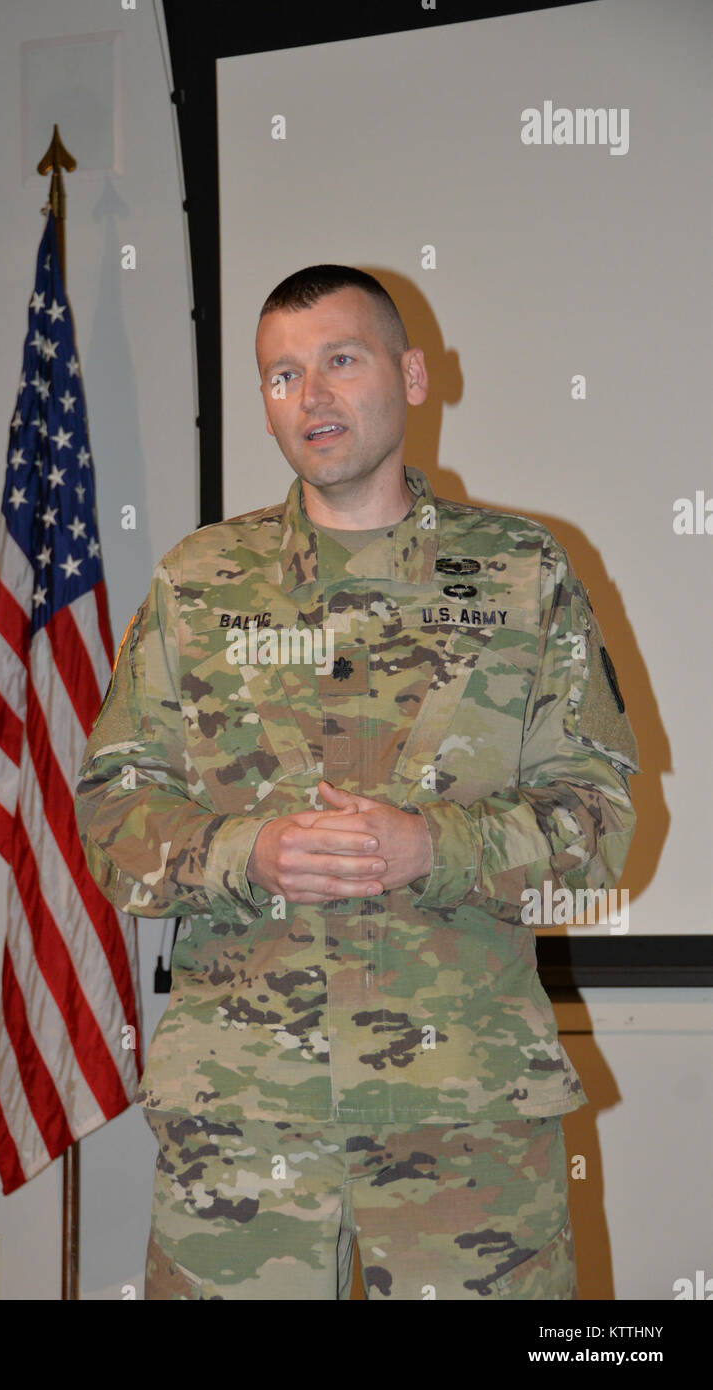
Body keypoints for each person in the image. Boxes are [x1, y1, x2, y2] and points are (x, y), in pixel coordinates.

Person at [74, 265, 639, 1300]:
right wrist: (251, 851)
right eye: (280, 376)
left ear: (411, 375)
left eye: (339, 360)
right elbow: (110, 813)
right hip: (242, 1124)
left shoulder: (520, 574)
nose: (310, 397)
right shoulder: (197, 584)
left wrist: (436, 847)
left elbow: (598, 823)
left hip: (464, 1119)